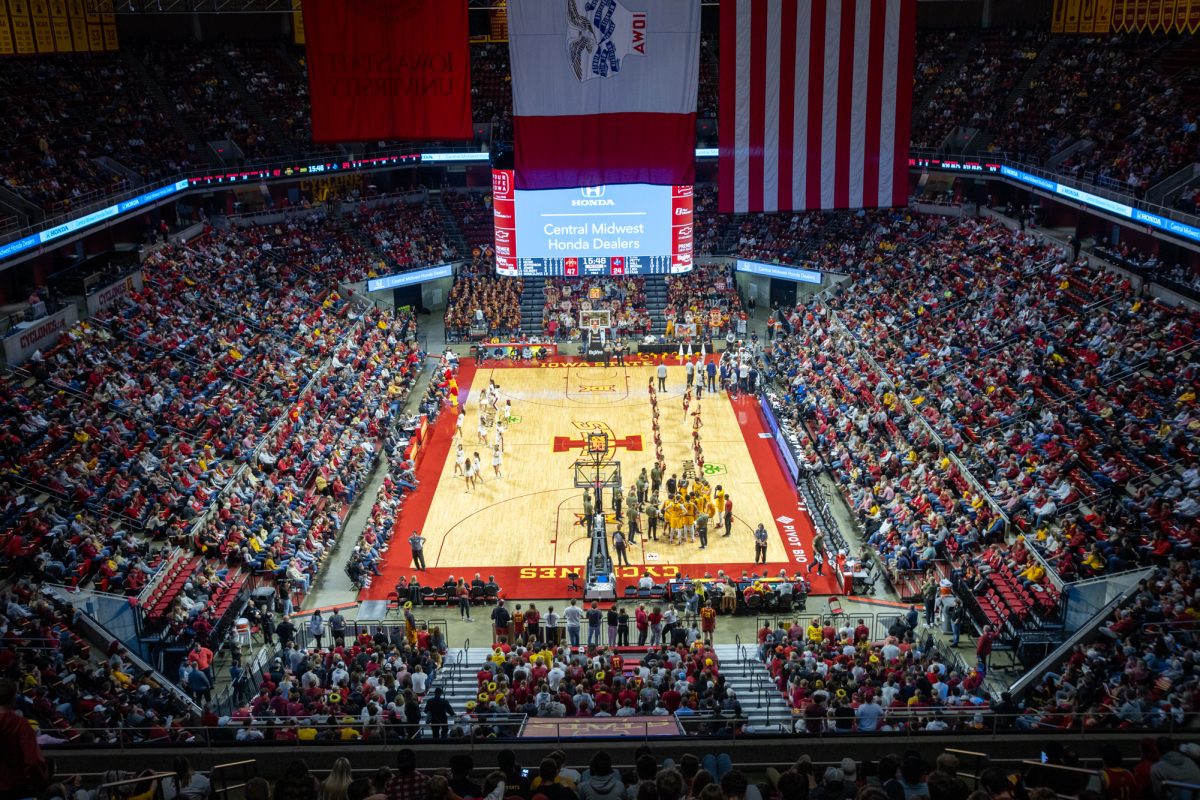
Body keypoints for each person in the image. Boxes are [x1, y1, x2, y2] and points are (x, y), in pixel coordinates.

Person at [0, 677, 47, 800]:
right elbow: (33, 761)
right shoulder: (20, 725)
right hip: (13, 789)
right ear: (13, 698)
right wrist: (40, 782)